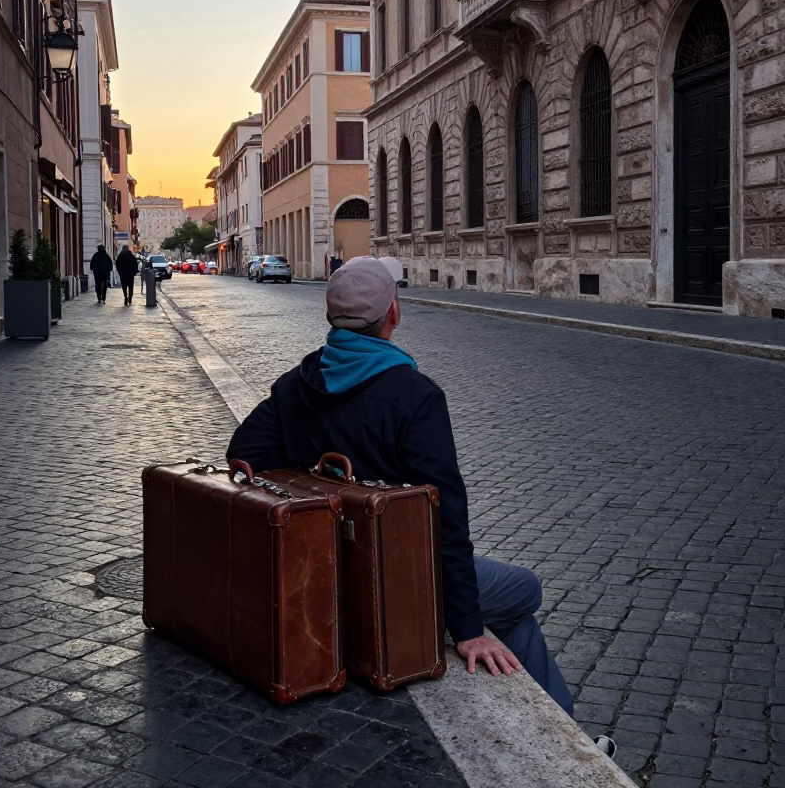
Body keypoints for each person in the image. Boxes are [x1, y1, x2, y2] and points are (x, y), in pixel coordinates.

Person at [226, 255, 573, 714]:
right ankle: (574, 734)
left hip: (318, 565)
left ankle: (561, 723)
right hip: (393, 575)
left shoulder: (297, 384)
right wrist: (468, 629)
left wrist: (315, 483)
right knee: (525, 590)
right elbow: (445, 514)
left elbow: (244, 452)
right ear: (393, 313)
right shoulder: (414, 395)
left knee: (518, 625)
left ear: (331, 316)